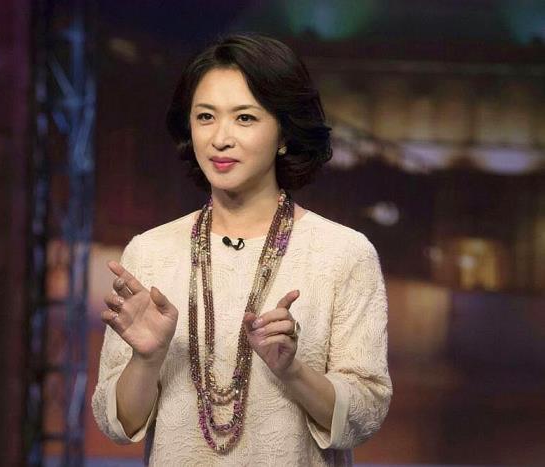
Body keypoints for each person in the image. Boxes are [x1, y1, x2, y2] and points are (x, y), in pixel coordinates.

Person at [92, 33, 392, 466]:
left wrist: (292, 370)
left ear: (284, 132)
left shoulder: (343, 254)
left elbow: (366, 414)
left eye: (245, 118)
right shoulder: (150, 252)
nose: (220, 138)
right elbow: (116, 425)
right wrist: (147, 359)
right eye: (205, 117)